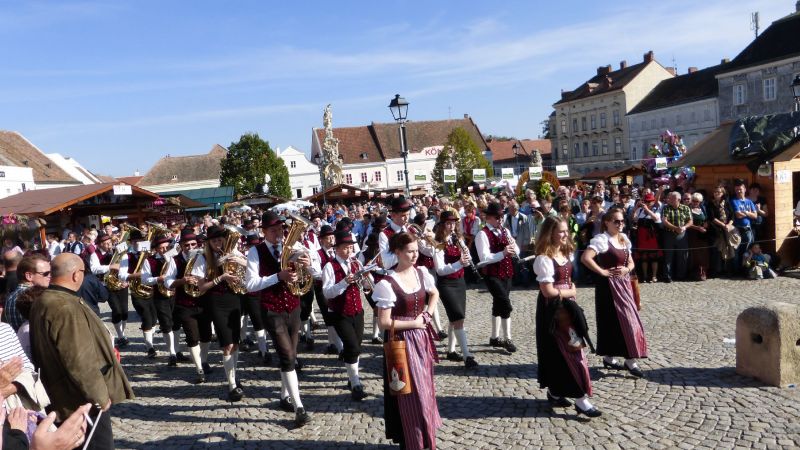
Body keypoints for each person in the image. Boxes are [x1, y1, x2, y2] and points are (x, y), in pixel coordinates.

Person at [29, 253, 134, 450]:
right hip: (79, 402)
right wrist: (100, 397)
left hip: (63, 396)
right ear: (77, 275)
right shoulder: (65, 306)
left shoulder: (46, 299)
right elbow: (79, 360)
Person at [372, 232, 442, 449]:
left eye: (416, 250)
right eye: (410, 251)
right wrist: (415, 323)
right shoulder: (387, 283)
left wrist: (428, 316)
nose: (415, 255)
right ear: (398, 252)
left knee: (426, 390)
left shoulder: (421, 273)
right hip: (400, 342)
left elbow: (434, 293)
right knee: (408, 393)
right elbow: (384, 322)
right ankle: (412, 440)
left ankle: (427, 437)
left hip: (421, 339)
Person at [244, 212, 312, 427]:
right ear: (263, 231)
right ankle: (299, 407)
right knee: (287, 356)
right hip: (272, 309)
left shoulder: (292, 247)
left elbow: (314, 274)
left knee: (290, 355)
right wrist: (278, 276)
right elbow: (250, 285)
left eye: (281, 229)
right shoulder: (255, 251)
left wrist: (307, 265)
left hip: (293, 307)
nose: (279, 233)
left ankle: (284, 396)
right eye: (273, 230)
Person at [533, 217, 598, 417]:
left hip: (567, 307)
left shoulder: (564, 253)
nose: (565, 235)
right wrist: (569, 292)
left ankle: (555, 391)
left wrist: (570, 295)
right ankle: (581, 399)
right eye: (560, 231)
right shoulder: (543, 258)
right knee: (568, 349)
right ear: (550, 233)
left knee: (567, 349)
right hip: (553, 309)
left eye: (565, 231)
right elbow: (547, 291)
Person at [581, 209, 648, 378]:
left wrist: (627, 268)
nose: (620, 224)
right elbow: (586, 258)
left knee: (630, 319)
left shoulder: (624, 239)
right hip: (608, 287)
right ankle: (612, 357)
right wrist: (602, 272)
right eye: (616, 221)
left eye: (622, 221)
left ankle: (629, 358)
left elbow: (631, 262)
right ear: (607, 222)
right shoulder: (602, 240)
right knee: (610, 321)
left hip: (624, 285)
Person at [189, 225, 246, 401]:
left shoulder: (232, 252)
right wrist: (220, 277)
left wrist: (237, 260)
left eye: (220, 239)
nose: (218, 243)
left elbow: (249, 268)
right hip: (216, 302)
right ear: (209, 242)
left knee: (235, 342)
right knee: (226, 344)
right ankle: (231, 385)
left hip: (234, 298)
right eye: (214, 240)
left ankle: (234, 376)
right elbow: (201, 287)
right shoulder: (203, 258)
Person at [322, 231, 372, 401]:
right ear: (336, 249)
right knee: (352, 347)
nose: (349, 251)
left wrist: (366, 278)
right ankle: (356, 384)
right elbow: (327, 293)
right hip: (340, 313)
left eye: (350, 247)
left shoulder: (356, 263)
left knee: (356, 347)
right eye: (345, 248)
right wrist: (344, 282)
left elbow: (366, 287)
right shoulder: (329, 266)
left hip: (357, 310)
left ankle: (352, 379)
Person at [165, 230, 214, 384]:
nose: (190, 247)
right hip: (184, 304)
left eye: (193, 244)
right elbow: (167, 282)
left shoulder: (204, 257)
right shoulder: (175, 260)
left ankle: (204, 361)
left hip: (203, 301)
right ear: (181, 246)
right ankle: (199, 368)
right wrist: (183, 280)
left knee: (206, 335)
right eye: (187, 245)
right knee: (192, 337)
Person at [433, 210, 478, 368]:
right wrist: (459, 263)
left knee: (457, 318)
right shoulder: (437, 242)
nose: (451, 226)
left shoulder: (457, 238)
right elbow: (440, 270)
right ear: (442, 225)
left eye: (453, 223)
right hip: (446, 284)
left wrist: (467, 258)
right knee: (458, 317)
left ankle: (451, 351)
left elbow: (468, 256)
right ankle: (467, 355)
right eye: (448, 223)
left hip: (459, 281)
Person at [475, 202, 519, 353]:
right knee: (505, 303)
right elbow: (484, 258)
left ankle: (494, 337)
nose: (501, 219)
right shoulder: (482, 234)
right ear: (489, 218)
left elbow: (516, 249)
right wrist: (503, 253)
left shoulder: (505, 230)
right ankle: (507, 338)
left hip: (507, 272)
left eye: (502, 216)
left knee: (498, 304)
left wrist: (513, 248)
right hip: (492, 274)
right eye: (497, 216)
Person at [141, 234, 181, 366]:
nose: (164, 250)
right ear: (156, 249)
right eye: (161, 248)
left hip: (174, 293)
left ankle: (177, 350)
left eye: (167, 247)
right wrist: (158, 279)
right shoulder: (149, 261)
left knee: (176, 323)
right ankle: (172, 353)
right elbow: (144, 279)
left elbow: (176, 274)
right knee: (166, 323)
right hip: (159, 295)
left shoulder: (173, 258)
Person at [89, 233, 131, 347]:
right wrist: (110, 267)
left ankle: (123, 333)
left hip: (121, 283)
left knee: (124, 311)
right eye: (106, 244)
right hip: (107, 285)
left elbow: (125, 264)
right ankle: (120, 336)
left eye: (110, 243)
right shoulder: (95, 254)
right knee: (116, 310)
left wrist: (125, 279)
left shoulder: (116, 251)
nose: (109, 245)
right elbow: (94, 269)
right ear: (100, 245)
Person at [126, 229, 158, 358]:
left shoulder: (148, 254)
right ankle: (150, 347)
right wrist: (139, 275)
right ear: (131, 243)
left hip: (151, 288)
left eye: (139, 241)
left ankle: (150, 340)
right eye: (134, 241)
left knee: (154, 319)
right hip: (137, 290)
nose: (137, 243)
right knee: (146, 317)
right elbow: (123, 275)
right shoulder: (127, 256)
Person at [3, 254, 50, 332]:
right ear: (29, 276)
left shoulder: (10, 297)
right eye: (46, 274)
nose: (50, 276)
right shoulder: (36, 298)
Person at [630, 192, 662, 283]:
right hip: (642, 236)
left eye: (649, 202)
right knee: (644, 257)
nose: (647, 203)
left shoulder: (656, 210)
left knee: (654, 257)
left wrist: (647, 209)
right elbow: (634, 218)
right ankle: (645, 276)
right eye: (646, 202)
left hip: (652, 237)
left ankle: (654, 276)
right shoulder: (640, 211)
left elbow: (656, 218)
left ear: (653, 202)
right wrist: (636, 207)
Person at [661, 191, 693, 282]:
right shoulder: (666, 208)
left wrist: (684, 227)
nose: (669, 200)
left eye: (672, 198)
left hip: (682, 234)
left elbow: (690, 221)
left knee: (682, 255)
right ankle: (667, 276)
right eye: (669, 198)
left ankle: (681, 275)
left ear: (678, 199)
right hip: (669, 234)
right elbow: (664, 221)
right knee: (668, 255)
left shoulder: (685, 208)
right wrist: (675, 228)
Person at [730, 179, 758, 275]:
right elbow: (738, 215)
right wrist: (749, 213)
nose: (738, 191)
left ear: (745, 189)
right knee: (737, 251)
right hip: (737, 229)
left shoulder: (749, 202)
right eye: (737, 189)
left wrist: (745, 212)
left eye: (740, 189)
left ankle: (746, 270)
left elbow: (755, 216)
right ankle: (737, 271)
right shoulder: (734, 201)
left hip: (748, 229)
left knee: (748, 251)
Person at [687, 192, 710, 281]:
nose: (695, 203)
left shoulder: (703, 209)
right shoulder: (688, 209)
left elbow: (707, 219)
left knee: (704, 253)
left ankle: (704, 271)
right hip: (693, 234)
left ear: (700, 202)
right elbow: (687, 222)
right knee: (695, 254)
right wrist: (698, 228)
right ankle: (696, 272)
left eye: (697, 201)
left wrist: (706, 225)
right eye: (693, 201)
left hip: (703, 234)